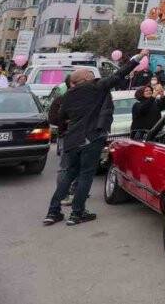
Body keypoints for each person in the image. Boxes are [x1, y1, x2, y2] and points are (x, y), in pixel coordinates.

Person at [43, 49, 148, 226]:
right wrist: (139, 56)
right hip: (91, 138)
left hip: (73, 140)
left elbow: (61, 118)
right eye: (90, 75)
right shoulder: (96, 87)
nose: (94, 76)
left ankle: (53, 212)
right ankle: (77, 213)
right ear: (83, 80)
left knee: (68, 175)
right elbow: (120, 73)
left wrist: (71, 125)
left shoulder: (67, 95)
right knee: (85, 176)